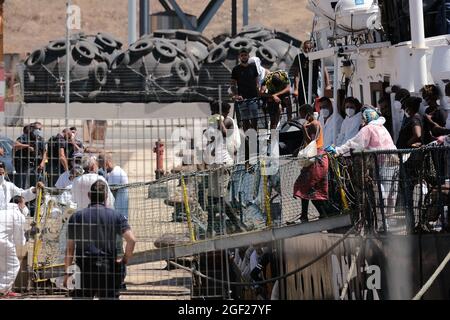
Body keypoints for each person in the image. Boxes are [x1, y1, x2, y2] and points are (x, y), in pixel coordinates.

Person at [64, 180, 136, 299]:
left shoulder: (76, 217)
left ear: (89, 195)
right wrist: (124, 260)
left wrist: (67, 273)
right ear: (106, 197)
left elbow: (70, 249)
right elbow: (132, 240)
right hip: (107, 269)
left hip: (83, 269)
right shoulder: (116, 216)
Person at [333, 107, 398, 230]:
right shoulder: (382, 127)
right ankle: (388, 220)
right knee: (391, 194)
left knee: (381, 193)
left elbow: (354, 143)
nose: (362, 121)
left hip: (381, 164)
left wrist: (338, 150)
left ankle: (382, 223)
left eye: (363, 118)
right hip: (393, 162)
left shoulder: (368, 129)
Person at [293, 104, 329, 222]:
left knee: (306, 186)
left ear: (307, 113)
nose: (301, 116)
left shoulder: (314, 124)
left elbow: (312, 142)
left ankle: (320, 214)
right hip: (315, 157)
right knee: (309, 188)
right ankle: (308, 215)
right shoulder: (312, 124)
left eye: (302, 114)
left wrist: (304, 130)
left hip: (316, 158)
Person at [0, 200, 28, 298]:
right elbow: (19, 240)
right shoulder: (17, 215)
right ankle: (1, 290)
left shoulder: (2, 211)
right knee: (13, 265)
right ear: (19, 204)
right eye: (24, 203)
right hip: (2, 241)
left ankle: (6, 291)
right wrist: (26, 238)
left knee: (3, 267)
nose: (25, 206)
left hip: (3, 241)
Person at [292, 40, 330, 106]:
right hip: (303, 84)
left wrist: (327, 85)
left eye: (309, 49)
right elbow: (296, 74)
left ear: (312, 49)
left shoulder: (317, 56)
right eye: (305, 48)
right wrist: (296, 89)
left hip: (314, 84)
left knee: (313, 102)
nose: (307, 50)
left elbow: (324, 69)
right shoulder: (299, 57)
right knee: (302, 103)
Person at [231, 47, 260, 131]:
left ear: (248, 56)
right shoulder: (236, 69)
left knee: (255, 119)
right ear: (239, 57)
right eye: (242, 55)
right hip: (242, 99)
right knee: (245, 121)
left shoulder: (253, 67)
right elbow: (232, 84)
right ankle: (246, 140)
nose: (244, 57)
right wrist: (236, 95)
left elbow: (257, 82)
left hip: (253, 98)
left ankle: (255, 137)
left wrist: (259, 96)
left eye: (245, 55)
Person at [13, 123, 46, 189]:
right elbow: (15, 145)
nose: (39, 130)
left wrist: (42, 163)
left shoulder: (40, 139)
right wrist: (27, 146)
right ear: (33, 129)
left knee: (35, 186)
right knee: (24, 186)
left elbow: (45, 152)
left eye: (40, 129)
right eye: (38, 129)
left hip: (36, 166)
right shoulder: (25, 137)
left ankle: (34, 199)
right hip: (25, 165)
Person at [98, 153, 129, 218]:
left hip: (119, 211)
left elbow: (112, 194)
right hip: (117, 211)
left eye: (102, 166)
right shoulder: (112, 172)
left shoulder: (116, 174)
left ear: (107, 164)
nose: (102, 169)